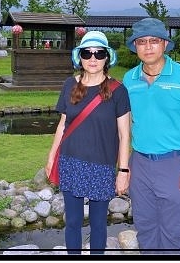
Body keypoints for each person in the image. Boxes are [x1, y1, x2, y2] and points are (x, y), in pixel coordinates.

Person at [122, 18, 180, 253]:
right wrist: (123, 167)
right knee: (146, 229)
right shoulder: (130, 79)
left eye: (154, 41)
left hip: (175, 163)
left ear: (165, 44)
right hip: (139, 164)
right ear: (135, 47)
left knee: (172, 233)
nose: (148, 47)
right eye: (142, 42)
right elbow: (124, 127)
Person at [46, 31, 131, 254]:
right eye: (87, 53)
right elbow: (63, 124)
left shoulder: (118, 91)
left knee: (98, 224)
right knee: (72, 222)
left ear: (107, 58)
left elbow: (124, 135)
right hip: (71, 160)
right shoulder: (69, 85)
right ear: (80, 57)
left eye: (99, 53)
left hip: (101, 165)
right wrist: (52, 156)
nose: (93, 58)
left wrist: (123, 170)